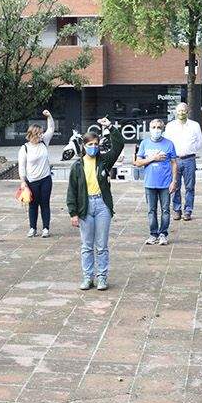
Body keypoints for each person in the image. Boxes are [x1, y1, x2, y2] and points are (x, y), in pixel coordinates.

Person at [67, 117, 126, 289]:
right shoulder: (77, 166)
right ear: (84, 146)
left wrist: (110, 127)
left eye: (95, 144)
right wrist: (73, 213)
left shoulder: (104, 161)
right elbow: (72, 191)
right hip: (85, 207)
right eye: (89, 144)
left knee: (101, 245)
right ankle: (87, 277)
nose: (93, 147)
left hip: (102, 206)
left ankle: (102, 277)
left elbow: (119, 145)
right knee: (86, 246)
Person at [134, 116, 177, 245]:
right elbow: (137, 162)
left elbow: (174, 163)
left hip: (165, 183)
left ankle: (163, 233)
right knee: (151, 210)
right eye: (153, 127)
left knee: (165, 210)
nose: (156, 130)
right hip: (150, 183)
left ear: (163, 129)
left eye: (159, 127)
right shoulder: (144, 143)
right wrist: (153, 158)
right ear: (149, 129)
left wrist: (174, 181)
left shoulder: (169, 144)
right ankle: (153, 234)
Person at [17, 110, 57, 237]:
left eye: (42, 133)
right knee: (33, 204)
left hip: (45, 178)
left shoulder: (44, 142)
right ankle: (32, 228)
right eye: (39, 133)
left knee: (45, 203)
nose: (41, 135)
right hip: (32, 180)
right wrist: (23, 182)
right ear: (33, 134)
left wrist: (49, 116)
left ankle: (46, 228)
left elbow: (51, 128)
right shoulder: (25, 148)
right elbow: (22, 167)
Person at [164, 102, 202, 221]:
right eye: (179, 110)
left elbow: (199, 142)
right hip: (175, 160)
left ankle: (188, 211)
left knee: (190, 187)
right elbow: (167, 142)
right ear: (176, 112)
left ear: (187, 112)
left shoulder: (195, 125)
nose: (181, 113)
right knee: (175, 185)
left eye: (184, 110)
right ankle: (177, 210)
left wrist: (189, 150)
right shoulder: (170, 126)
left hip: (189, 159)